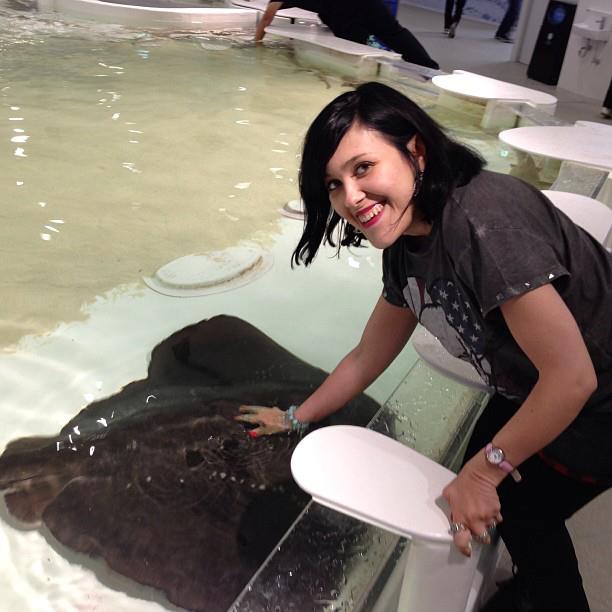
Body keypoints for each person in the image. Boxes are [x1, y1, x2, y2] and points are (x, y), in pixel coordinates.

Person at [236, 82, 612, 611]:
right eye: (334, 185)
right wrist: (295, 416)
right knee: (488, 476)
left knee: (522, 505)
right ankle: (532, 583)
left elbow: (574, 378)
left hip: (599, 404)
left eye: (363, 168)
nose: (350, 199)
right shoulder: (408, 239)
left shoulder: (483, 225)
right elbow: (368, 356)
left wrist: (486, 472)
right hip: (531, 384)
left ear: (415, 151)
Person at [255, 0, 439, 69]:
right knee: (394, 32)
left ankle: (427, 68)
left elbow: (265, 21)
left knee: (387, 34)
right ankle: (429, 68)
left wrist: (257, 44)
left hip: (344, 10)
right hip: (342, 10)